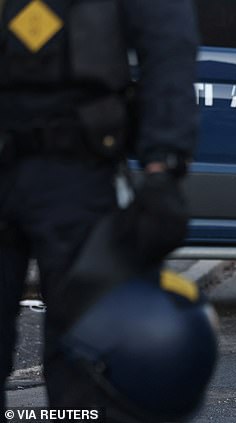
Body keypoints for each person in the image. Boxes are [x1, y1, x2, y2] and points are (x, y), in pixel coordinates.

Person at [0, 0, 200, 419]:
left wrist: (164, 161)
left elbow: (167, 45)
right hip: (57, 167)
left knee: (81, 349)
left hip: (76, 166)